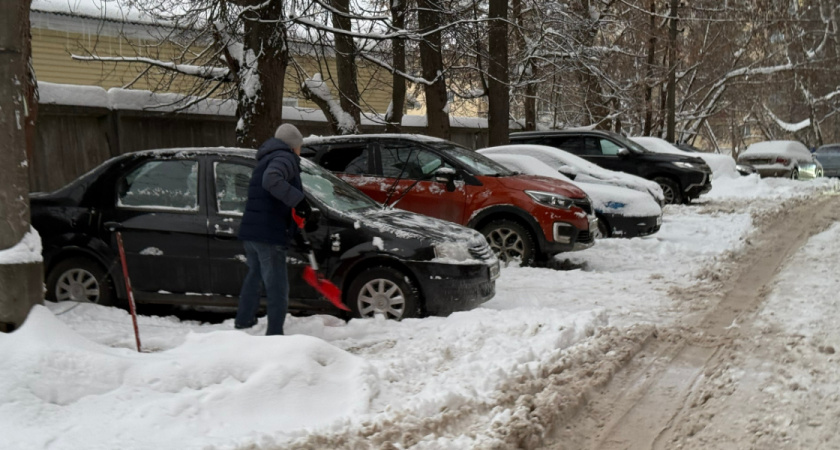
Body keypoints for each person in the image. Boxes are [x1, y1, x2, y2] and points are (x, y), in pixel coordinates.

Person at [235, 123, 312, 335]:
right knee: (277, 287)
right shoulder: (284, 157)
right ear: (293, 145)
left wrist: (297, 228)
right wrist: (299, 201)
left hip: (253, 233)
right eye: (300, 146)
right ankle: (275, 335)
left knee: (254, 278)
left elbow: (272, 198)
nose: (300, 150)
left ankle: (243, 323)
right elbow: (272, 180)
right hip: (269, 235)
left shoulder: (267, 158)